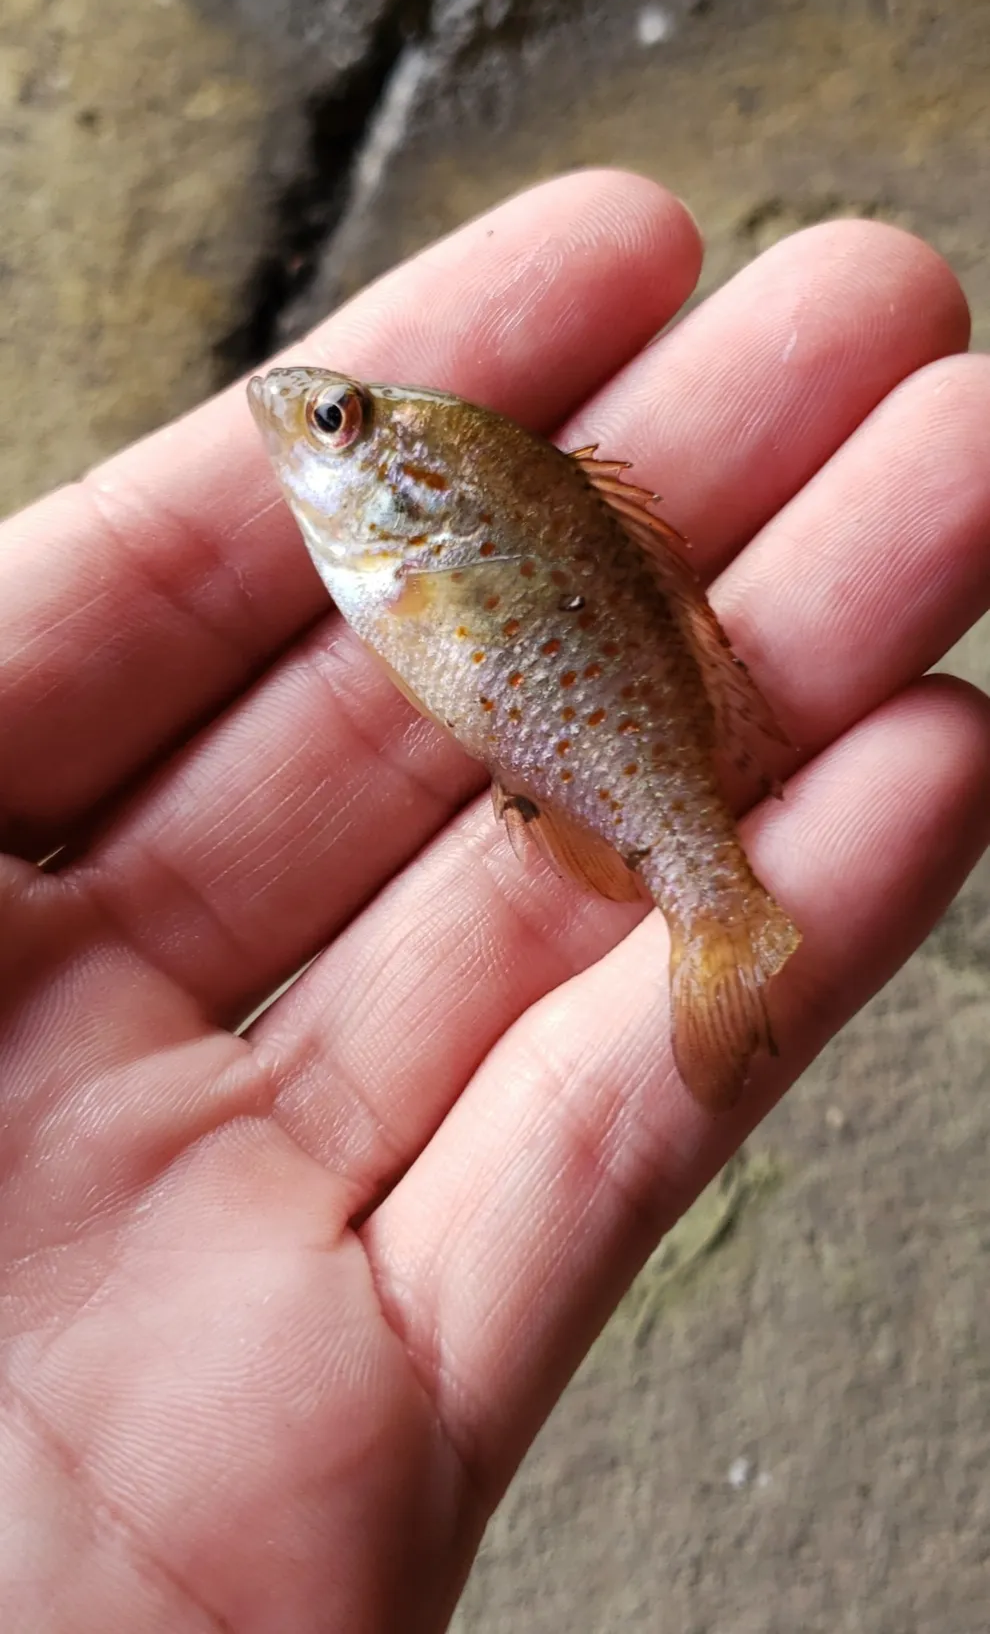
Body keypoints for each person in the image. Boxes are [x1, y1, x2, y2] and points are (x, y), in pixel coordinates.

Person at [1, 170, 988, 1631]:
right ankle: (708, 911)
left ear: (407, 482)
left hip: (618, 754)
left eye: (341, 422)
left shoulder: (426, 532)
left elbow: (486, 630)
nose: (303, 417)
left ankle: (714, 922)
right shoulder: (405, 536)